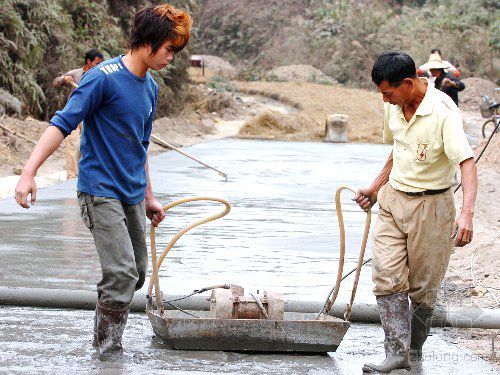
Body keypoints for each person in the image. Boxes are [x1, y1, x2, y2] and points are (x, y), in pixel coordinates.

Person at [15, 4, 192, 356]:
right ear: (148, 42)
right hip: (99, 191)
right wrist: (28, 172)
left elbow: (141, 149)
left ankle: (104, 334)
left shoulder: (151, 89)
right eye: (170, 49)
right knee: (122, 273)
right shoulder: (102, 77)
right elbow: (61, 123)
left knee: (136, 272)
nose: (171, 57)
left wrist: (149, 197)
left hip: (131, 193)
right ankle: (106, 353)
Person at [354, 51, 477, 373]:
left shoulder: (443, 112)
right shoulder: (393, 106)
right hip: (394, 200)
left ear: (408, 83)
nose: (384, 98)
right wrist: (376, 188)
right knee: (386, 277)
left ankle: (414, 349)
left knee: (423, 289)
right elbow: (398, 149)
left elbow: (466, 162)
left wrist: (466, 215)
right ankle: (395, 352)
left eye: (388, 92)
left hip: (433, 206)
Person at [53, 50, 104, 179]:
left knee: (85, 146)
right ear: (88, 61)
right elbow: (56, 82)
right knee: (72, 144)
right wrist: (64, 79)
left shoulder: (100, 76)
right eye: (97, 63)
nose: (99, 66)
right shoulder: (75, 74)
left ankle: (83, 178)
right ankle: (71, 177)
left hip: (90, 116)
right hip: (74, 115)